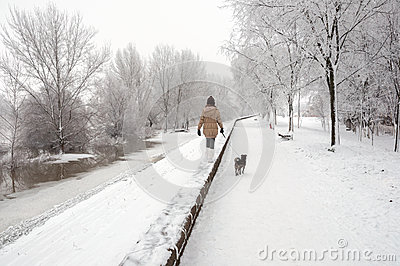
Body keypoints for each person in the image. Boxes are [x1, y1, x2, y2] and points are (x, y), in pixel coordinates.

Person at [197, 96, 224, 162]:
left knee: (208, 141)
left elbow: (201, 120)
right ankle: (210, 158)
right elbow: (219, 120)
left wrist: (198, 128)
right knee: (212, 142)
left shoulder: (204, 110)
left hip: (206, 129)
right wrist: (221, 127)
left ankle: (207, 156)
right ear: (213, 102)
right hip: (213, 129)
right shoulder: (216, 111)